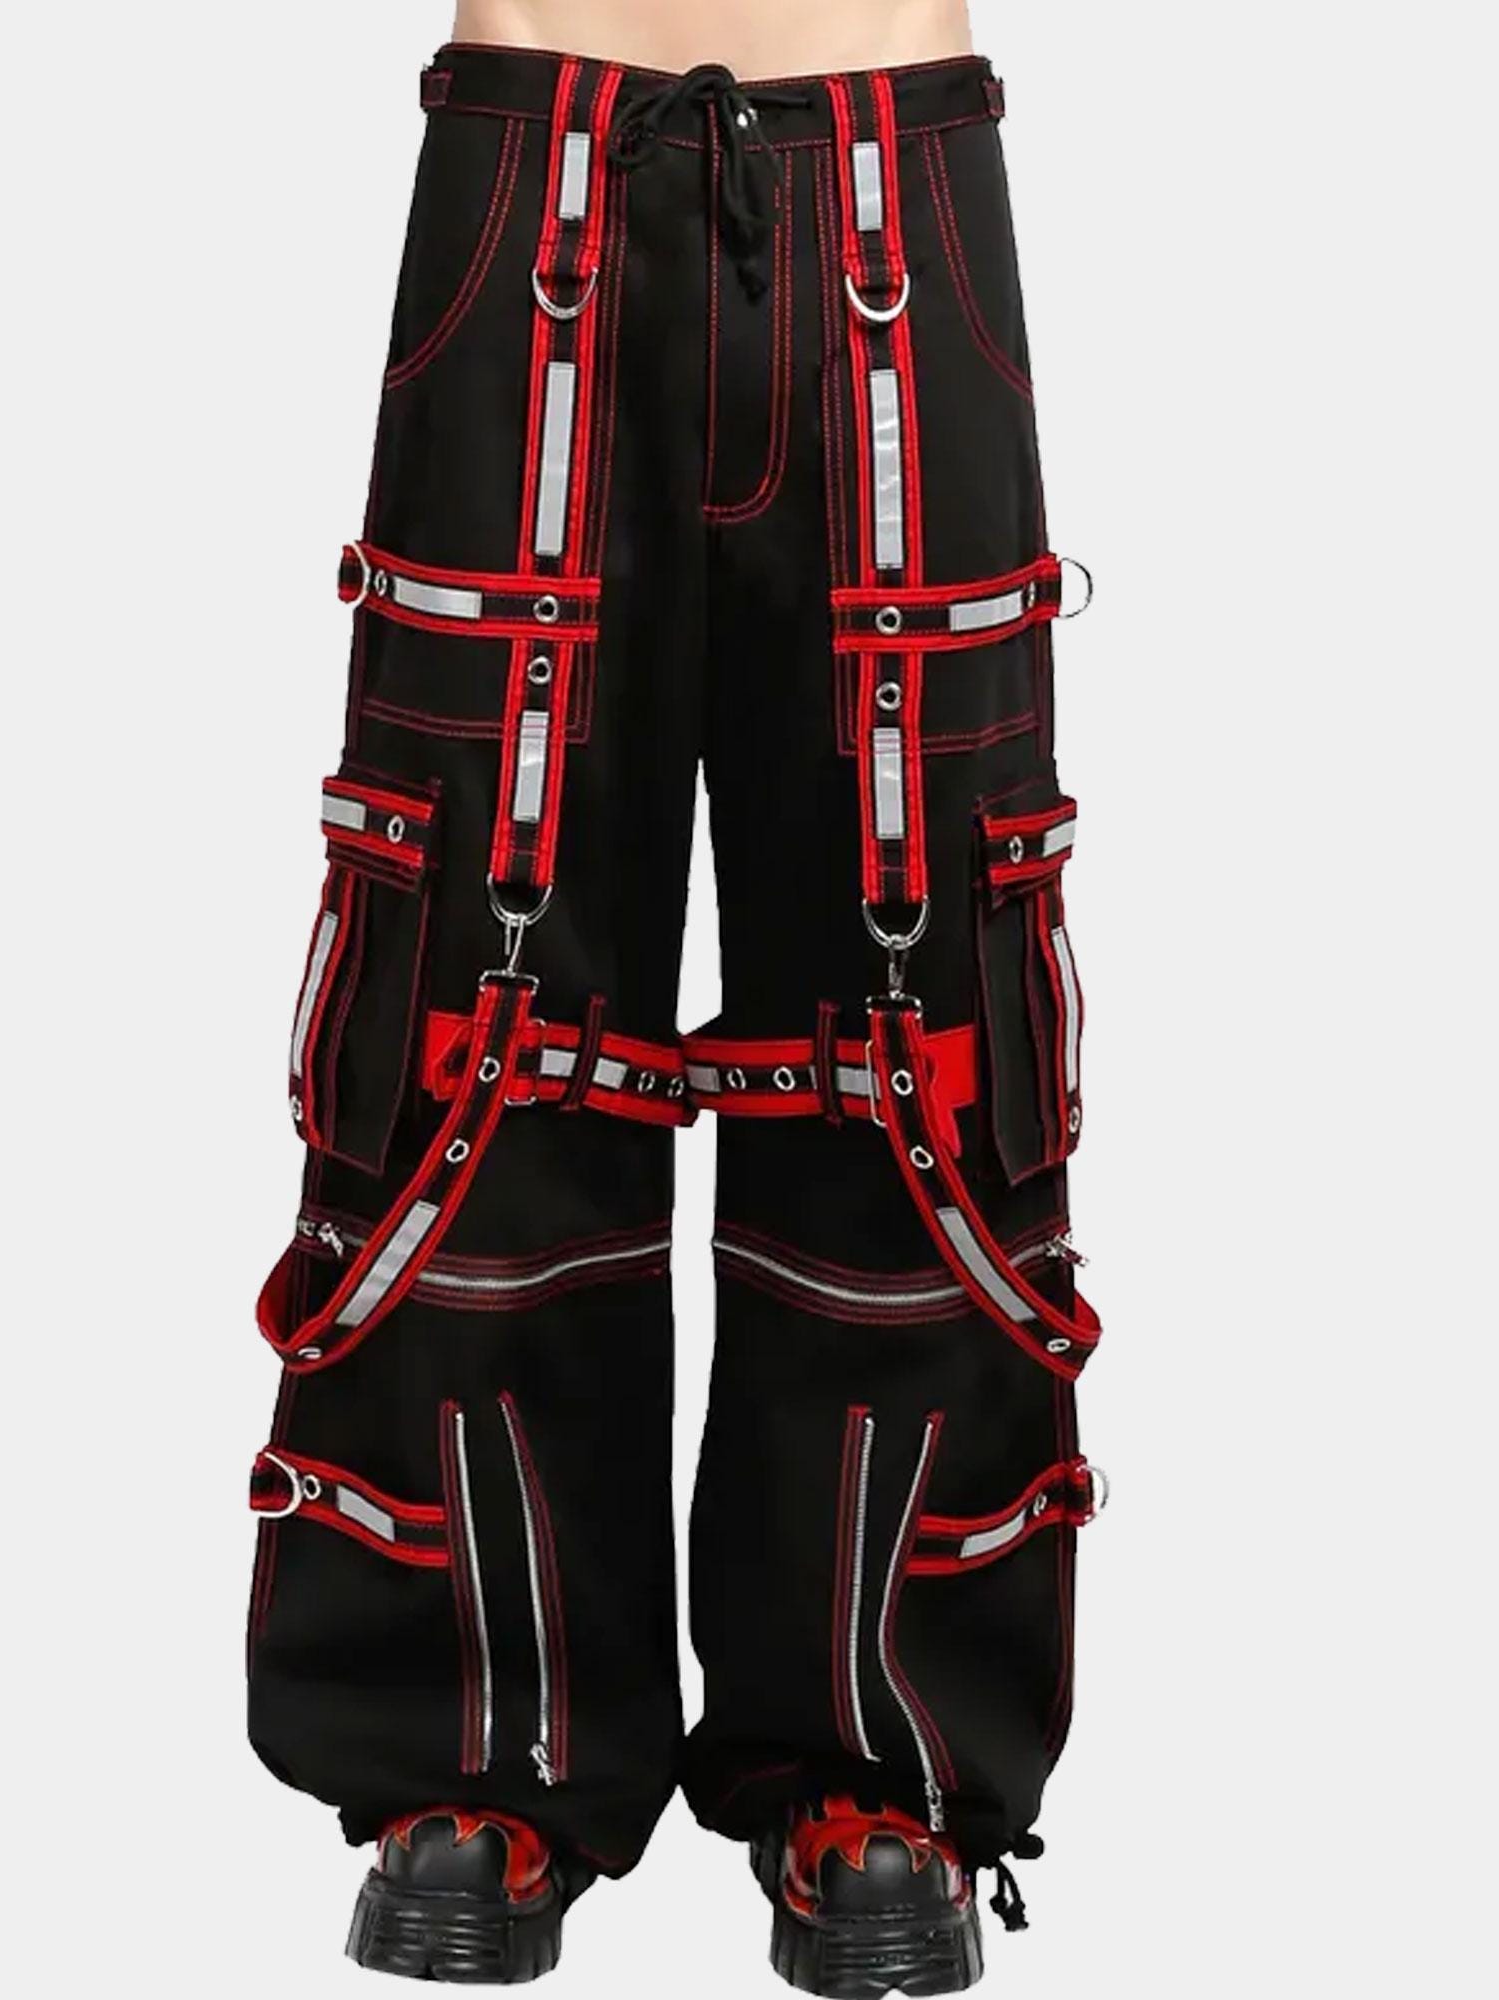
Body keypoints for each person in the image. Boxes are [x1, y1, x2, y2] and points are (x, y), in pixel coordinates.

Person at [245, 3, 1107, 1989]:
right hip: (528, 160)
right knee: (475, 963)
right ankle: (480, 1745)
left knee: (917, 978)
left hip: (891, 165)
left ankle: (878, 1761)